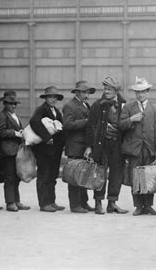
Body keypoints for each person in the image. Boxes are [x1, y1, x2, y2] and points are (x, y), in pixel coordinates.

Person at [119, 77, 156, 216]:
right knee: (136, 178)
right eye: (137, 92)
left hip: (149, 148)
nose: (140, 94)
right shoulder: (128, 107)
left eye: (143, 92)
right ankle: (138, 206)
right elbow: (120, 125)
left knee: (149, 178)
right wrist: (131, 119)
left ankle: (148, 206)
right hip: (134, 149)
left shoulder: (155, 108)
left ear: (148, 92)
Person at [86, 77, 128, 215]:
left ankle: (112, 203)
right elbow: (91, 126)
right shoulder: (98, 105)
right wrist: (90, 146)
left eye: (109, 89)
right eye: (105, 89)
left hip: (117, 145)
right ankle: (98, 202)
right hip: (102, 145)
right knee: (99, 173)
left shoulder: (124, 104)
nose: (106, 91)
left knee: (117, 174)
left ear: (116, 91)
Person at [62, 81, 96, 213]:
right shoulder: (70, 106)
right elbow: (68, 125)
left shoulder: (85, 104)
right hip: (75, 145)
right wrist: (87, 122)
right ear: (77, 92)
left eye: (88, 92)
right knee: (74, 175)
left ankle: (83, 202)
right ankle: (75, 205)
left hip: (83, 146)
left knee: (83, 175)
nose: (87, 94)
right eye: (85, 92)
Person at [30, 86, 65, 212]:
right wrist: (46, 137)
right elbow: (34, 122)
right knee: (44, 175)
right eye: (50, 97)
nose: (53, 99)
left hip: (55, 150)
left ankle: (51, 201)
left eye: (55, 97)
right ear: (46, 98)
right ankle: (44, 203)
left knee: (52, 176)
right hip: (43, 149)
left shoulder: (56, 110)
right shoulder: (41, 109)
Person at [0, 91, 30, 212]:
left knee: (16, 177)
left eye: (15, 104)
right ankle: (10, 202)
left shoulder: (15, 116)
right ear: (5, 104)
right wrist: (15, 133)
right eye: (10, 104)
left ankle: (16, 200)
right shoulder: (2, 116)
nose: (14, 106)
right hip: (7, 151)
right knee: (9, 177)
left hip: (16, 151)